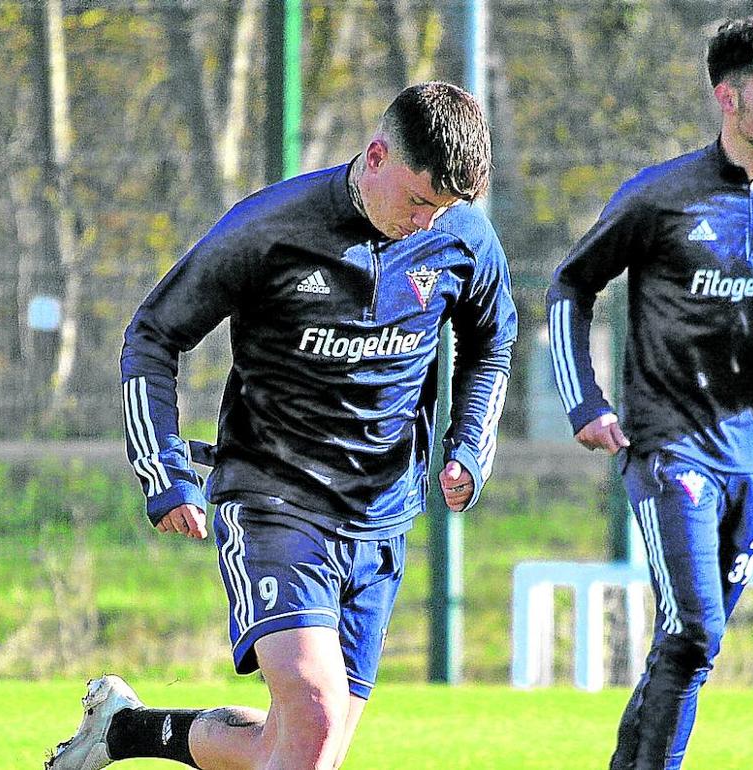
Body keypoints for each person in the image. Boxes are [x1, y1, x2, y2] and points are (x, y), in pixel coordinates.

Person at [46, 81, 517, 770]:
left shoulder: (463, 236)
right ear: (377, 156)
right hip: (275, 500)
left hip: (381, 516)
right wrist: (163, 469)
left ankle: (125, 732)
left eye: (442, 209)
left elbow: (491, 342)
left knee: (300, 748)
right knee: (316, 717)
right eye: (418, 201)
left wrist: (469, 444)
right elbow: (154, 333)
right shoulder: (272, 227)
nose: (426, 222)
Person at [547, 16, 753, 770]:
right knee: (696, 631)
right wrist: (585, 403)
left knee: (686, 646)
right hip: (671, 450)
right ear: (728, 98)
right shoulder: (661, 196)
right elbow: (571, 285)